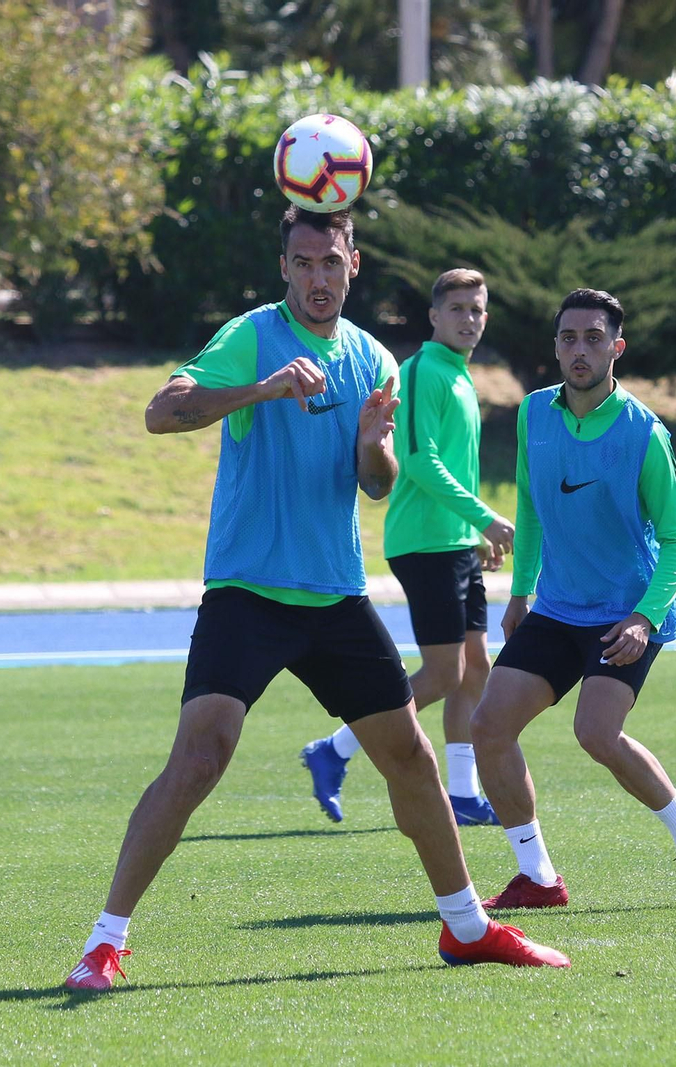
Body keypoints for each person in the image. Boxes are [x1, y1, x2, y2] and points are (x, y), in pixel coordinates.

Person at [61, 208, 568, 991]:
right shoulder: (252, 335)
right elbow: (162, 413)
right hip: (248, 592)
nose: (318, 277)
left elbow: (376, 483)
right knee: (201, 756)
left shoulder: (374, 360)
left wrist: (373, 444)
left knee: (410, 756)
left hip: (334, 596)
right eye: (303, 263)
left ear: (352, 264)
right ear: (285, 268)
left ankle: (467, 927)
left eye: (331, 262)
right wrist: (263, 389)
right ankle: (105, 941)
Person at [469, 288, 676, 912]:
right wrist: (521, 591)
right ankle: (537, 876)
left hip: (624, 612)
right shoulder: (534, 414)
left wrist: (644, 617)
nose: (578, 349)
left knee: (596, 732)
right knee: (488, 727)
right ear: (555, 347)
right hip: (556, 608)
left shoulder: (644, 433)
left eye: (592, 338)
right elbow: (530, 508)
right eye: (567, 338)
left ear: (618, 347)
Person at [299, 268, 513, 827]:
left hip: (457, 542)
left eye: (478, 309)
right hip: (424, 544)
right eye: (459, 308)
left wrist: (475, 534)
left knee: (474, 671)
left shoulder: (464, 377)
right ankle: (336, 749)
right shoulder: (420, 373)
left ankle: (463, 795)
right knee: (444, 673)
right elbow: (418, 461)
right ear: (435, 317)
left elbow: (457, 466)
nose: (470, 318)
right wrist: (485, 518)